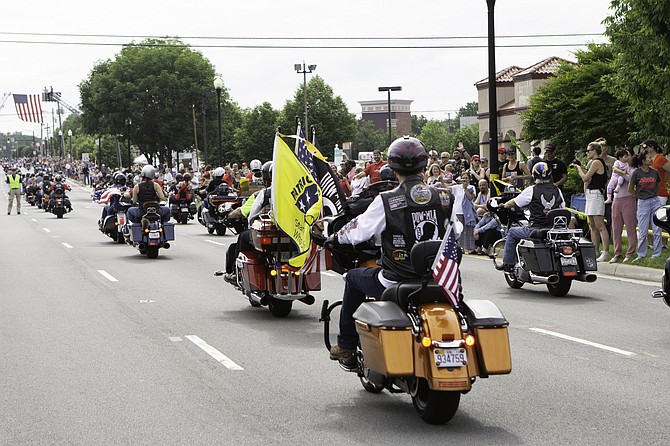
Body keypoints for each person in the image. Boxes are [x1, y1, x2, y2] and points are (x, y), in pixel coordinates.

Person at [328, 136, 446, 366]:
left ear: (392, 167)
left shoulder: (388, 199)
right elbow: (456, 233)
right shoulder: (444, 195)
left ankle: (346, 346)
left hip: (397, 279)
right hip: (439, 278)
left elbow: (359, 231)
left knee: (353, 278)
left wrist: (335, 237)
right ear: (424, 165)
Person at [499, 162, 565, 271]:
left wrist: (504, 205)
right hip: (555, 230)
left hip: (537, 228)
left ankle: (508, 264)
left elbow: (515, 202)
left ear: (534, 175)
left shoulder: (532, 190)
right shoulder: (556, 190)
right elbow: (562, 207)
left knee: (512, 232)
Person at [223, 161, 273, 284]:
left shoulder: (263, 193)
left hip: (268, 231)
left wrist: (230, 216)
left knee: (243, 237)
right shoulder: (293, 192)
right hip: (290, 234)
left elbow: (249, 214)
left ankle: (236, 273)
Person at [573, 141, 610, 262]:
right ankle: (595, 250)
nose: (587, 153)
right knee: (592, 225)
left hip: (596, 194)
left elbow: (585, 178)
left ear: (594, 151)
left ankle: (605, 251)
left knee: (600, 225)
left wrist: (578, 168)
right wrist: (583, 167)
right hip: (590, 194)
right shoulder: (593, 163)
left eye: (588, 151)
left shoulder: (596, 162)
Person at [628, 151, 662, 261]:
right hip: (643, 203)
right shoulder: (637, 173)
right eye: (649, 158)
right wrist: (638, 196)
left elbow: (658, 184)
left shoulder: (654, 172)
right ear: (643, 161)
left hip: (655, 201)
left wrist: (653, 195)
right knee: (643, 230)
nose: (651, 159)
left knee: (657, 229)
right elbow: (630, 188)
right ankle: (641, 254)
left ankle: (657, 254)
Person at [609, 149, 637, 263]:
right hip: (616, 199)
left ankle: (630, 253)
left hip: (628, 199)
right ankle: (617, 253)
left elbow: (631, 180)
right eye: (623, 156)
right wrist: (619, 171)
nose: (625, 158)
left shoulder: (634, 170)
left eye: (628, 156)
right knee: (616, 228)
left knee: (630, 227)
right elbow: (614, 179)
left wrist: (622, 172)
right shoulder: (618, 166)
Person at [451, 171, 477, 253]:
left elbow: (470, 198)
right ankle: (460, 247)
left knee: (469, 229)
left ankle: (470, 248)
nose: (465, 179)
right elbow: (447, 188)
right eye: (463, 178)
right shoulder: (456, 187)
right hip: (458, 211)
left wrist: (465, 188)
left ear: (469, 179)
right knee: (460, 230)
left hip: (467, 211)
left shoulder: (471, 187)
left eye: (466, 178)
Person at [642, 139, 670, 205]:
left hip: (659, 192)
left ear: (652, 147)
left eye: (646, 147)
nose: (645, 149)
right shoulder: (646, 159)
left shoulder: (660, 158)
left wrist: (666, 182)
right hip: (648, 192)